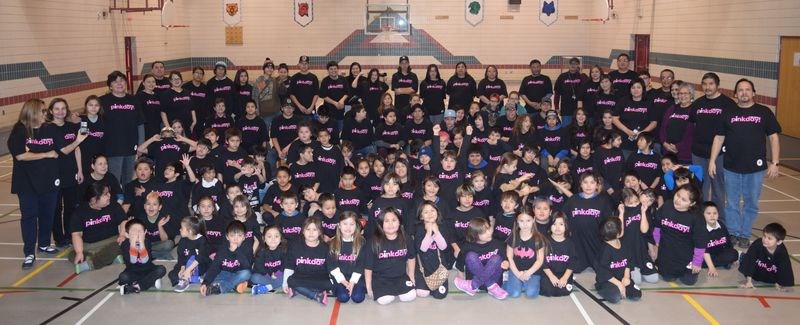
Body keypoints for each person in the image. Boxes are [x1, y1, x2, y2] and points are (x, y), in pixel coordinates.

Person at [9, 99, 87, 268]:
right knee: (29, 217)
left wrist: (78, 141)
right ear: (32, 112)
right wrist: (46, 154)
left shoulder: (49, 129)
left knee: (47, 214)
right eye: (43, 111)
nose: (46, 114)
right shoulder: (20, 130)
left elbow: (63, 150)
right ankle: (29, 252)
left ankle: (44, 244)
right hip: (27, 183)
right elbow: (21, 155)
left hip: (49, 181)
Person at [709, 78, 781, 249]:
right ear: (735, 94)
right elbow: (719, 138)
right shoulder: (728, 112)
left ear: (754, 93)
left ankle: (745, 233)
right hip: (731, 166)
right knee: (732, 203)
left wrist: (775, 162)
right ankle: (734, 232)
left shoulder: (764, 112)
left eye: (747, 89)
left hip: (755, 168)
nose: (744, 93)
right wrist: (712, 160)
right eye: (740, 90)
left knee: (751, 203)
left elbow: (774, 138)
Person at [690, 72, 735, 219]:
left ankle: (719, 218)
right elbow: (693, 126)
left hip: (719, 154)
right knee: (700, 187)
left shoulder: (728, 104)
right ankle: (699, 216)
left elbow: (732, 129)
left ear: (717, 85)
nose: (707, 87)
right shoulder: (697, 104)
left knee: (718, 187)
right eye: (705, 84)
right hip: (698, 153)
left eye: (711, 84)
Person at [653, 185, 706, 285]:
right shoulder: (667, 205)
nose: (678, 200)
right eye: (678, 195)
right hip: (667, 253)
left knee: (688, 281)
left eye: (684, 200)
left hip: (686, 256)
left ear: (692, 203)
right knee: (668, 278)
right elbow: (657, 226)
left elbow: (701, 242)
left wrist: (697, 262)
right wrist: (656, 244)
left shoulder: (697, 218)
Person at [364, 207, 417, 305]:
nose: (391, 224)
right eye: (386, 221)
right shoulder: (373, 242)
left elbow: (411, 258)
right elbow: (368, 267)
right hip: (381, 279)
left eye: (394, 220)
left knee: (410, 296)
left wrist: (411, 277)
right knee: (385, 300)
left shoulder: (406, 238)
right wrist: (369, 287)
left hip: (401, 277)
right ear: (380, 224)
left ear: (399, 222)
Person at [71, 182, 127, 274]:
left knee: (123, 244)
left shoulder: (114, 205)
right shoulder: (79, 212)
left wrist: (122, 235)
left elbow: (123, 221)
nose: (109, 196)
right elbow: (76, 234)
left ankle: (90, 264)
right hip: (89, 245)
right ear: (93, 200)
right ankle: (109, 259)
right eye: (105, 194)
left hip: (112, 242)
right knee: (72, 253)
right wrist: (79, 252)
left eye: (109, 192)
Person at [100, 71, 144, 184]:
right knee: (114, 178)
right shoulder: (103, 101)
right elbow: (91, 116)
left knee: (128, 178)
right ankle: (115, 200)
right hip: (112, 147)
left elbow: (140, 123)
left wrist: (141, 144)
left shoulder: (134, 100)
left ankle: (127, 200)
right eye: (115, 81)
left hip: (131, 146)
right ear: (110, 86)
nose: (119, 84)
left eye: (122, 81)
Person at [453, 217, 508, 299]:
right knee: (470, 256)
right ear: (475, 235)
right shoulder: (467, 246)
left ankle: (472, 285)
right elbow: (460, 264)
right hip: (488, 285)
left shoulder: (498, 244)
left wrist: (506, 264)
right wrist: (460, 276)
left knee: (496, 258)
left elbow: (505, 263)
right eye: (484, 232)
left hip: (494, 281)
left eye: (488, 229)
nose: (489, 233)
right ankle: (489, 286)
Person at [282, 216, 332, 305]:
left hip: (320, 278)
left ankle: (298, 290)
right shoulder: (295, 246)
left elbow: (330, 268)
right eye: (308, 229)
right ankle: (315, 295)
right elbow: (289, 266)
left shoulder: (326, 248)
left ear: (320, 232)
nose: (311, 233)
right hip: (301, 277)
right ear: (303, 231)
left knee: (330, 284)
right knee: (291, 281)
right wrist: (285, 283)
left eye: (315, 229)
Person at [595, 217, 642, 304]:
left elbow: (629, 261)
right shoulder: (605, 250)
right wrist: (619, 284)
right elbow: (603, 272)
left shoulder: (625, 244)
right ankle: (601, 288)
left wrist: (626, 277)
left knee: (636, 294)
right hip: (608, 280)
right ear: (618, 234)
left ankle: (619, 288)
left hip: (622, 277)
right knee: (615, 297)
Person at [200, 221, 252, 296]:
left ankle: (221, 288)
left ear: (244, 237)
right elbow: (215, 267)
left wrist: (236, 251)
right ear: (227, 237)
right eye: (232, 236)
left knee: (246, 274)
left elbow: (247, 267)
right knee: (206, 277)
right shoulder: (222, 249)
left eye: (239, 236)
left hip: (238, 273)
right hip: (225, 273)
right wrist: (205, 283)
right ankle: (235, 285)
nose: (236, 239)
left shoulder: (247, 249)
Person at [117, 218, 168, 295]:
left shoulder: (146, 242)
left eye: (140, 231)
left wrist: (142, 244)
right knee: (123, 277)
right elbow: (133, 261)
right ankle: (149, 283)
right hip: (132, 271)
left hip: (148, 269)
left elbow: (145, 261)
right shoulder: (125, 244)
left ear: (145, 233)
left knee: (161, 269)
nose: (137, 234)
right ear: (127, 234)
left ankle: (136, 286)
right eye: (134, 231)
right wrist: (133, 244)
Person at [504, 205, 546, 299]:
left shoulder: (538, 239)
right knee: (514, 294)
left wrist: (528, 273)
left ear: (533, 219)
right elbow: (509, 257)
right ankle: (508, 280)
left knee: (531, 294)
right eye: (521, 221)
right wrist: (518, 274)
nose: (525, 224)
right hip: (516, 270)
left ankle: (522, 283)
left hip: (533, 271)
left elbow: (539, 260)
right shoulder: (513, 237)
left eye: (528, 220)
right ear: (517, 222)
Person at [739, 223, 794, 291]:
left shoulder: (782, 251)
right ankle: (742, 256)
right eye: (764, 236)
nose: (765, 240)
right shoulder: (757, 244)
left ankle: (743, 256)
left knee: (772, 278)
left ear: (779, 242)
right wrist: (749, 282)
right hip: (756, 270)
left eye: (769, 238)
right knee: (746, 259)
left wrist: (779, 283)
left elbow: (785, 268)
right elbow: (750, 261)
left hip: (769, 272)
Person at [327, 211, 368, 303]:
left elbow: (361, 265)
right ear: (339, 225)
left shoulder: (361, 242)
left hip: (357, 278)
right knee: (343, 297)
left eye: (352, 224)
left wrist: (352, 282)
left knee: (358, 298)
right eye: (345, 224)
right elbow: (331, 265)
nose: (348, 227)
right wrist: (343, 281)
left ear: (356, 226)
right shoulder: (333, 243)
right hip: (340, 278)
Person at [540, 213, 576, 297]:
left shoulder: (570, 243)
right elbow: (542, 262)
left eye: (561, 224)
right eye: (554, 224)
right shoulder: (545, 241)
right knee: (548, 291)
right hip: (548, 273)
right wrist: (551, 276)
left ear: (566, 226)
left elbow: (572, 262)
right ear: (550, 226)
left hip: (563, 273)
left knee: (563, 291)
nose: (557, 227)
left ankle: (570, 279)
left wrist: (565, 278)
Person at [170, 216, 209, 292]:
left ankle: (186, 279)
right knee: (172, 274)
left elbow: (200, 258)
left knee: (193, 255)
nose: (179, 229)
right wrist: (182, 268)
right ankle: (194, 278)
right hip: (186, 264)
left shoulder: (202, 240)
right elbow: (181, 256)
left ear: (190, 231)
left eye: (182, 228)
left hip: (199, 265)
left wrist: (188, 270)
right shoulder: (183, 240)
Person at [700, 202, 738, 277]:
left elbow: (728, 243)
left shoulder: (721, 225)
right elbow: (704, 251)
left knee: (734, 254)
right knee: (699, 261)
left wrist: (733, 256)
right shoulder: (701, 229)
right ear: (702, 215)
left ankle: (724, 262)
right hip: (705, 255)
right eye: (708, 213)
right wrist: (711, 267)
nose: (712, 216)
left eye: (715, 213)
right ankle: (724, 263)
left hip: (719, 253)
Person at [251, 226, 287, 295]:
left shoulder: (283, 250)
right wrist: (269, 276)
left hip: (277, 276)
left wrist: (277, 274)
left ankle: (267, 287)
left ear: (281, 238)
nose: (273, 239)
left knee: (286, 276)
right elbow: (259, 268)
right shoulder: (261, 252)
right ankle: (273, 285)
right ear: (264, 239)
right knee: (254, 277)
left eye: (276, 236)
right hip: (265, 276)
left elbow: (285, 265)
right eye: (269, 236)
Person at [554, 57, 588, 125]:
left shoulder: (582, 77)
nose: (573, 65)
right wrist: (556, 107)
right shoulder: (562, 76)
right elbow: (557, 93)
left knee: (578, 129)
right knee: (566, 130)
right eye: (571, 63)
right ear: (568, 65)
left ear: (578, 65)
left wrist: (581, 73)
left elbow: (587, 91)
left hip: (579, 109)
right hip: (566, 109)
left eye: (575, 64)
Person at [319, 60, 350, 129]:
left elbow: (347, 93)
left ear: (338, 69)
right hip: (329, 112)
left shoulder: (343, 79)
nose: (333, 70)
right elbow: (323, 95)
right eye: (331, 69)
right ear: (328, 70)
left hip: (340, 111)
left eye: (335, 69)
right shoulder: (325, 81)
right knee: (329, 132)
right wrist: (335, 103)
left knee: (340, 131)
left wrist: (341, 101)